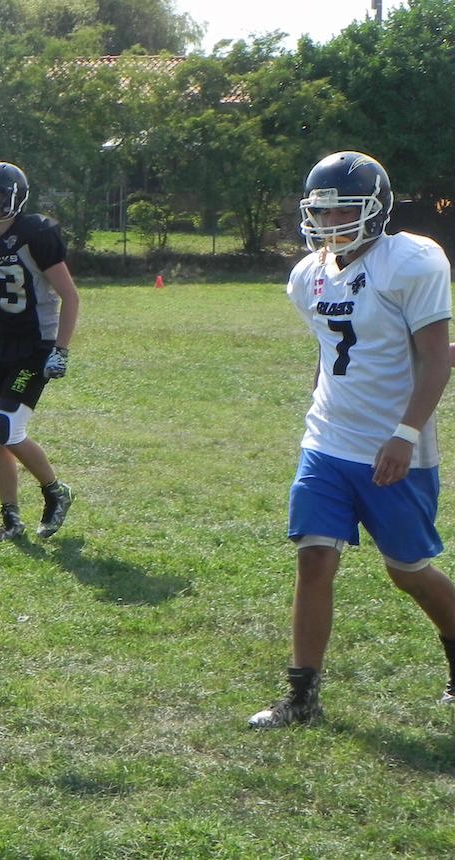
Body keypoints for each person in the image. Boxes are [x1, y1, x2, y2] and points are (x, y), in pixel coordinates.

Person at [249, 150, 455, 728]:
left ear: (377, 209)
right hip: (327, 442)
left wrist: (404, 434)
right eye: (324, 212)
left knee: (408, 571)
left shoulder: (411, 260)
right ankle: (302, 698)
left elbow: (436, 360)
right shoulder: (307, 273)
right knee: (314, 559)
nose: (332, 223)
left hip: (394, 447)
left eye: (344, 211)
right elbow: (331, 352)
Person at [0, 162, 78, 543]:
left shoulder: (36, 233)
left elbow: (70, 296)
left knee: (7, 428)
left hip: (35, 343)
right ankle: (11, 520)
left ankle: (55, 492)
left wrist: (60, 350)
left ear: (13, 196)